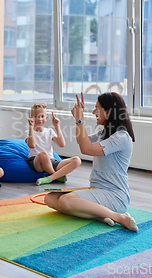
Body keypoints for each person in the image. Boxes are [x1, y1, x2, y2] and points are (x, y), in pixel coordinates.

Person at [44, 92, 138, 232]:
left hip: (115, 195)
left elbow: (86, 148)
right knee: (49, 199)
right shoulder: (103, 133)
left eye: (97, 108)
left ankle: (119, 217)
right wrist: (78, 118)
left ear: (108, 112)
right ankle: (99, 215)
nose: (94, 112)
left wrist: (80, 119)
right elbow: (83, 140)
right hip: (97, 190)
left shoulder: (121, 137)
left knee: (65, 201)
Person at [25, 103, 81, 186]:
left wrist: (57, 126)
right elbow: (32, 145)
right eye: (36, 116)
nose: (40, 119)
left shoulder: (49, 131)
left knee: (77, 160)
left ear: (46, 118)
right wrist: (30, 126)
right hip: (36, 161)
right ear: (32, 118)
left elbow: (62, 144)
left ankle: (50, 178)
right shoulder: (28, 132)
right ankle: (56, 176)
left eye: (42, 116)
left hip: (51, 161)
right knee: (43, 154)